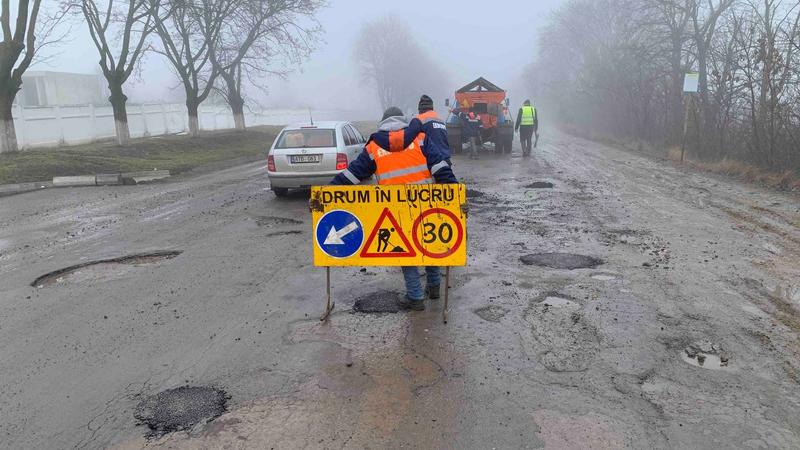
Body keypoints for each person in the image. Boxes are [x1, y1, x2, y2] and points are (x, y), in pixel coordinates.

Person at [330, 101, 457, 311]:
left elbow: (352, 175)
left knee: (405, 251)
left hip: (395, 208)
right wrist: (455, 195)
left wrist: (326, 193)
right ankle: (434, 287)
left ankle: (415, 297)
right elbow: (441, 168)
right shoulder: (421, 139)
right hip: (426, 203)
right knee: (430, 243)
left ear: (383, 123)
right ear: (403, 121)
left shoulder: (374, 147)